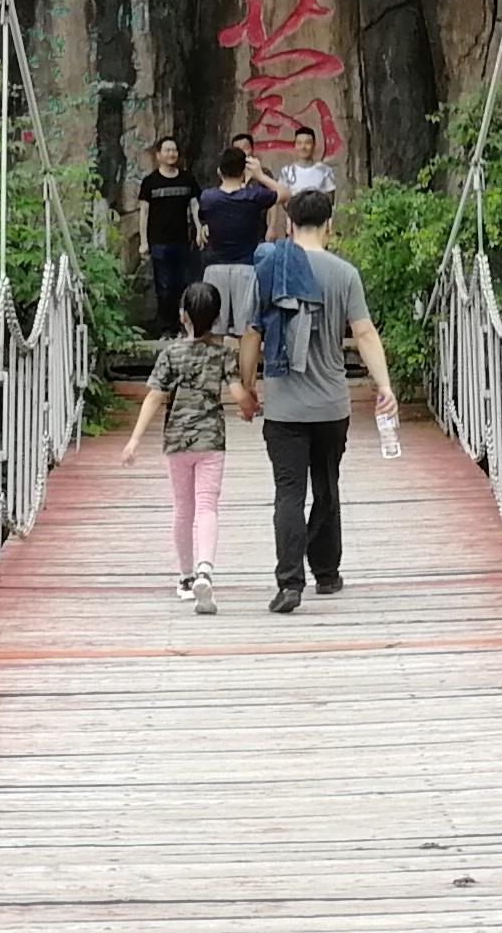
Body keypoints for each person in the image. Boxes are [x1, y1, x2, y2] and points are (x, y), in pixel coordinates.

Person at [235, 186, 396, 615]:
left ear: (289, 224)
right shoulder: (344, 273)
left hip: (285, 406)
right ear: (330, 225)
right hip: (330, 404)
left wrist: (247, 388)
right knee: (326, 487)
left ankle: (290, 582)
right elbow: (363, 333)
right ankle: (326, 572)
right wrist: (385, 386)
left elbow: (253, 335)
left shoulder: (271, 269)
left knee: (289, 492)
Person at [119, 280, 233, 613]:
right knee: (207, 506)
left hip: (177, 441)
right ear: (216, 317)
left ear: (183, 316)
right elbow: (239, 392)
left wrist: (135, 439)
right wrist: (249, 404)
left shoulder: (170, 353)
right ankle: (205, 571)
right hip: (211, 440)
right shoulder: (222, 354)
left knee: (183, 507)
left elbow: (155, 395)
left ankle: (185, 577)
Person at [194, 141, 278, 302]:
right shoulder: (253, 196)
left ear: (219, 171)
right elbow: (284, 193)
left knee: (215, 322)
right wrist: (260, 175)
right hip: (246, 268)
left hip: (215, 267)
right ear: (243, 172)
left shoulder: (208, 197)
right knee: (245, 324)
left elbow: (204, 217)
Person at [133, 138, 202, 332]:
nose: (172, 154)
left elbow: (195, 206)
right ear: (158, 155)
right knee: (164, 287)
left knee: (182, 285)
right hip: (159, 242)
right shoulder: (150, 182)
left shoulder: (187, 179)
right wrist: (144, 241)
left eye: (174, 150)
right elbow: (144, 212)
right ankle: (166, 328)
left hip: (182, 241)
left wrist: (198, 229)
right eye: (167, 150)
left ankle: (182, 326)